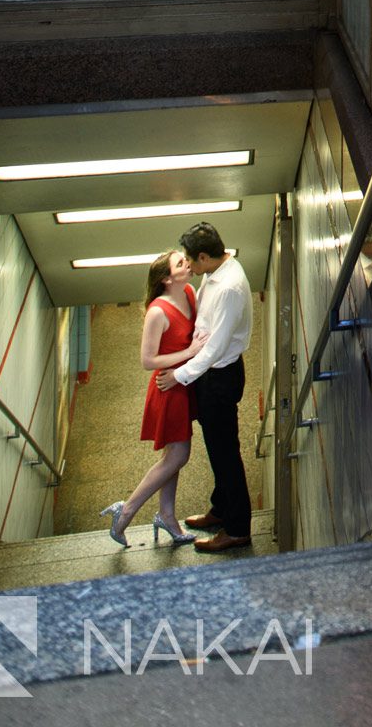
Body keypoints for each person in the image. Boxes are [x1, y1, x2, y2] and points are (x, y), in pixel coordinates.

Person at [156, 222, 254, 553]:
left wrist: (179, 375)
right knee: (217, 450)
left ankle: (238, 528)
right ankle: (221, 509)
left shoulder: (228, 288)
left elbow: (215, 348)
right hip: (209, 373)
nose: (188, 267)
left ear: (203, 256)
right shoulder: (215, 272)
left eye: (190, 261)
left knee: (226, 454)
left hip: (220, 377)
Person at [99, 251, 202, 549]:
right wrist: (190, 352)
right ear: (166, 278)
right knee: (178, 456)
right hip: (168, 388)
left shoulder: (189, 292)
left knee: (172, 456)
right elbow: (147, 360)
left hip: (184, 383)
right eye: (181, 263)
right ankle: (127, 509)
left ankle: (167, 515)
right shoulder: (158, 311)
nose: (188, 264)